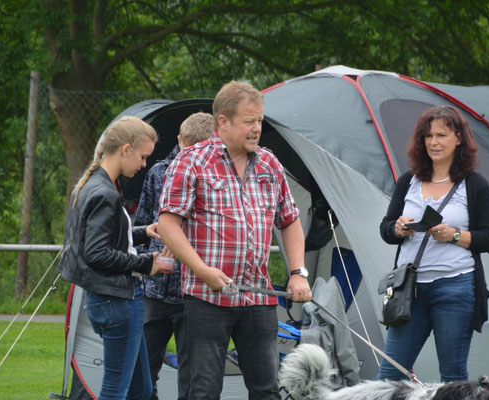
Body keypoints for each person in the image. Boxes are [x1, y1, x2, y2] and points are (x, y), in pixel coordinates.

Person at [157, 80, 312, 400]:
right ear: (222, 122)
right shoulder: (191, 162)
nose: (256, 128)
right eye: (248, 121)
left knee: (266, 389)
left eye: (259, 120)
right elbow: (169, 224)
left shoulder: (269, 163)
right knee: (204, 390)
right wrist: (202, 270)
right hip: (206, 299)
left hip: (258, 299)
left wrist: (297, 272)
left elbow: (290, 220)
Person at [376, 105, 489, 382]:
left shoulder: (475, 185)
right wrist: (398, 229)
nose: (433, 142)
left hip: (456, 288)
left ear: (459, 138)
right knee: (389, 376)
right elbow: (385, 230)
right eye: (428, 136)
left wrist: (454, 235)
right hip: (408, 290)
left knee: (453, 377)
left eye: (442, 135)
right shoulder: (407, 182)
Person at [57, 116, 174, 400]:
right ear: (125, 149)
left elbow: (104, 238)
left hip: (110, 299)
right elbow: (97, 253)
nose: (145, 164)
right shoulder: (105, 193)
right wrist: (148, 264)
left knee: (141, 389)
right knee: (115, 392)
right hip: (117, 302)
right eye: (143, 156)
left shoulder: (91, 185)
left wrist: (143, 232)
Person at [133, 112, 215, 400]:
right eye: (187, 148)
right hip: (155, 291)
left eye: (199, 149)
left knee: (193, 375)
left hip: (192, 294)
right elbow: (143, 219)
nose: (191, 155)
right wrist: (147, 263)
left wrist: (180, 243)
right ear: (179, 141)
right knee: (142, 368)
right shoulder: (158, 172)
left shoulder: (216, 177)